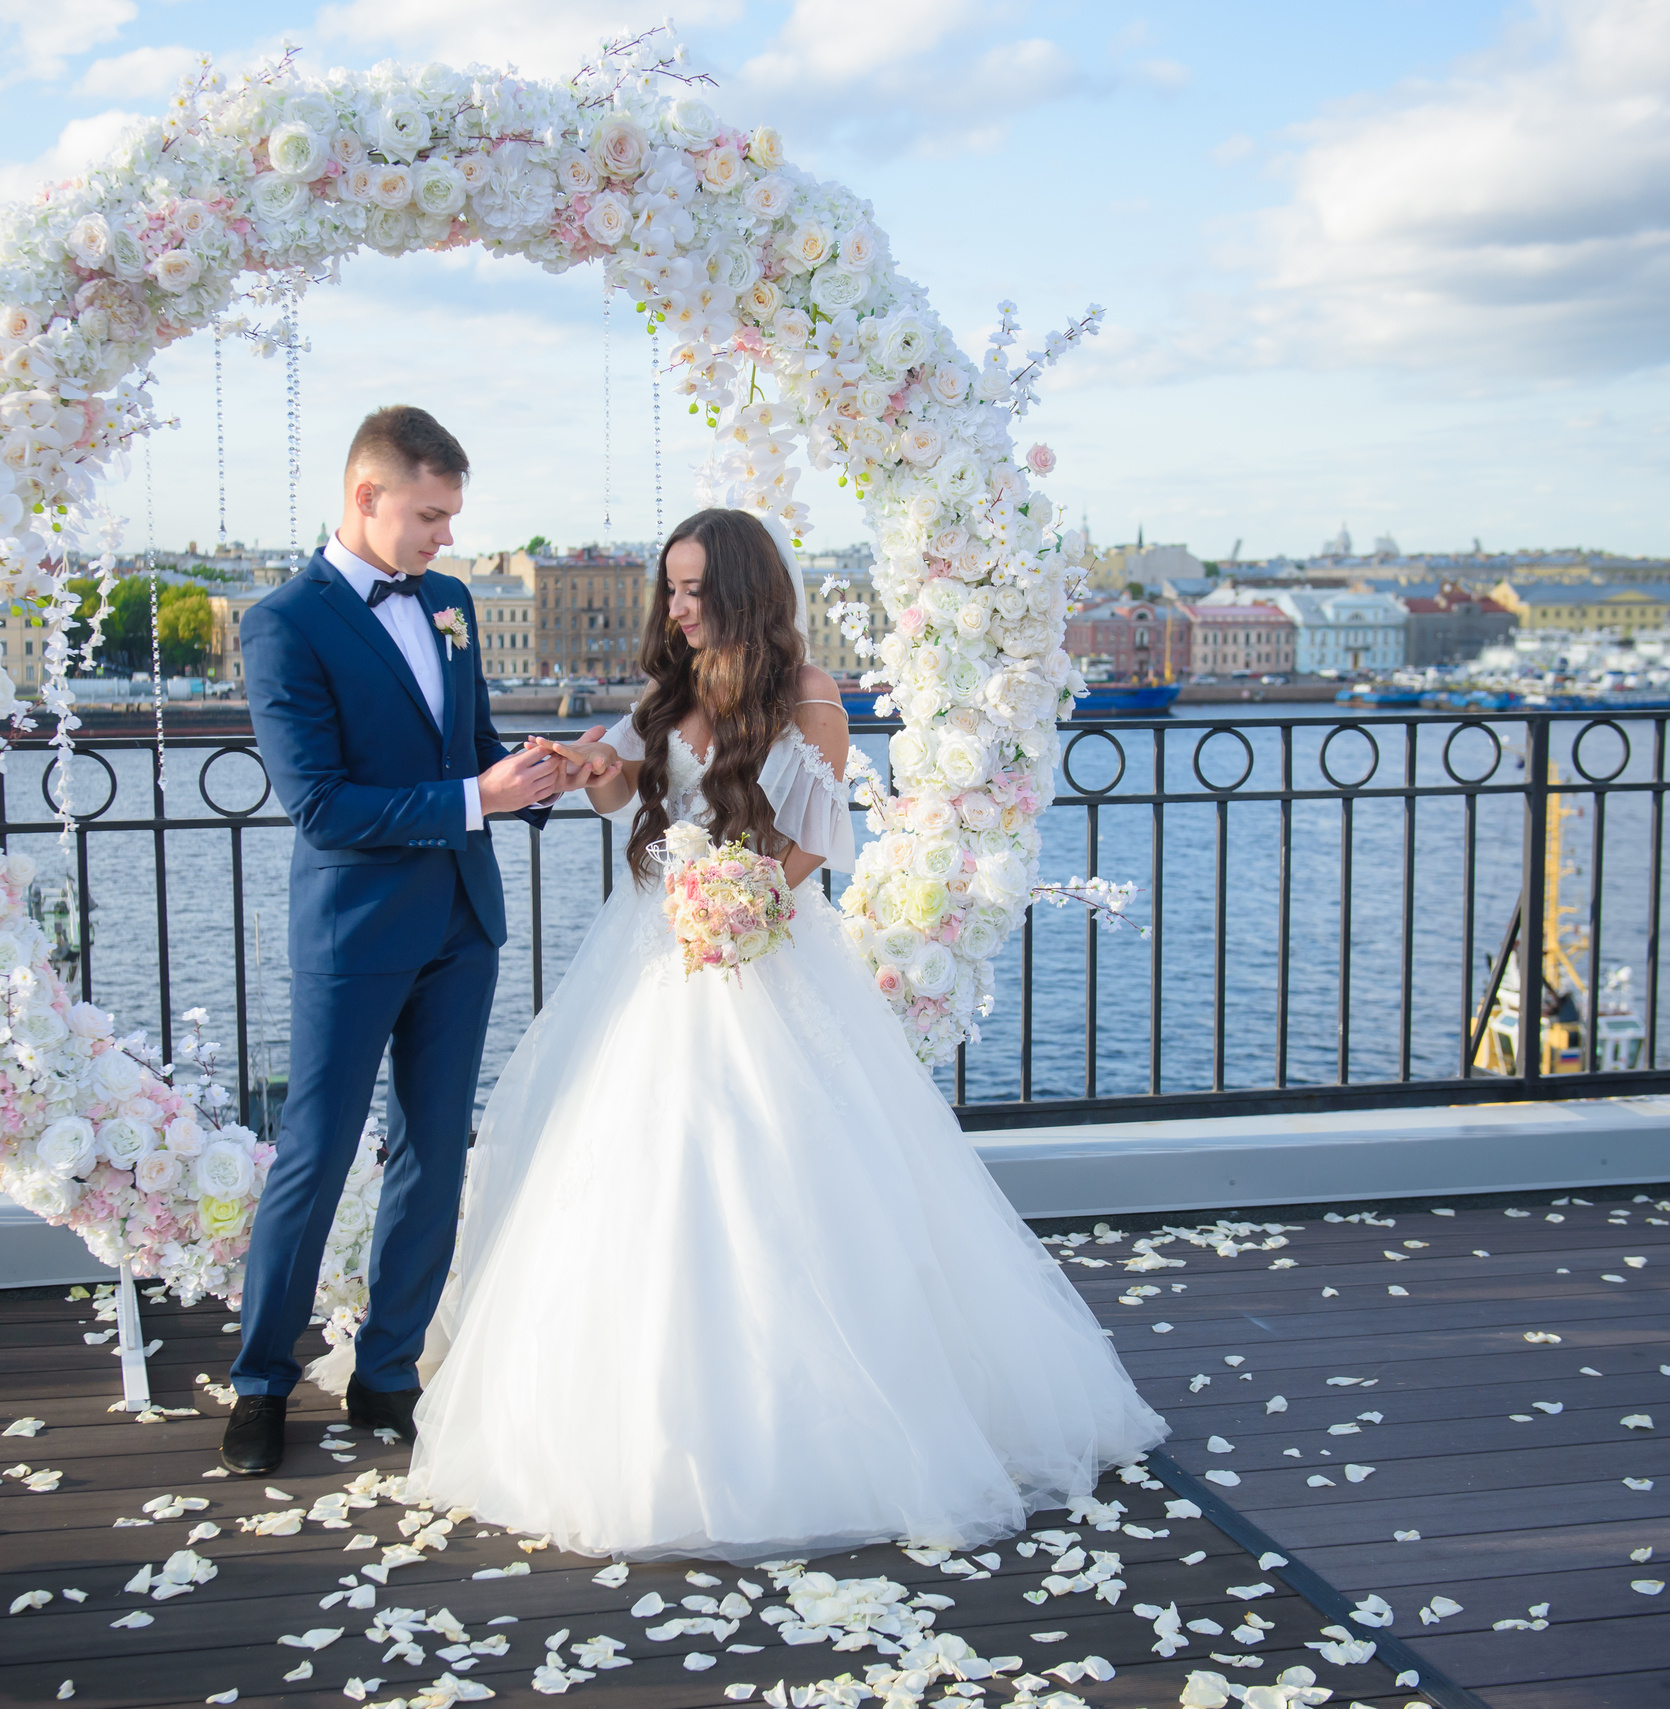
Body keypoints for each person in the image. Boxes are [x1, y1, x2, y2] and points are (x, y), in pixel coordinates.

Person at [400, 506, 1165, 1561]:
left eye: (694, 587)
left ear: (746, 589)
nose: (677, 606)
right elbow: (622, 794)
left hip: (759, 944)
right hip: (648, 954)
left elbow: (813, 841)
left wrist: (742, 904)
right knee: (632, 1167)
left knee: (785, 1166)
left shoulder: (808, 697)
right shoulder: (667, 691)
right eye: (669, 587)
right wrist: (592, 771)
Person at [221, 406, 584, 1475]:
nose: (444, 538)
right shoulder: (282, 621)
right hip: (355, 929)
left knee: (433, 1154)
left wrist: (533, 776)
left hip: (463, 920)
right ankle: (260, 1381)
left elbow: (466, 750)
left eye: (453, 518)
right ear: (366, 495)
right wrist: (476, 793)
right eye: (430, 515)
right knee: (316, 1155)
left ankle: (389, 1372)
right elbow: (321, 806)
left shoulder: (455, 604)